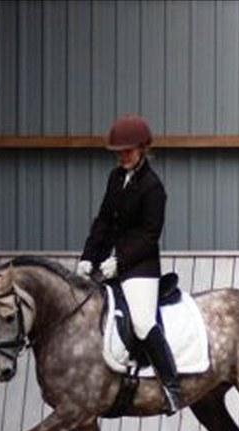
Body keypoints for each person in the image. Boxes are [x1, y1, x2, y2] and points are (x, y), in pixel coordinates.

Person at [76, 115, 181, 415]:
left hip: (140, 268)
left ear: (143, 149)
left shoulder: (153, 187)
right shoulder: (114, 178)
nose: (123, 156)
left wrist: (118, 263)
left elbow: (149, 237)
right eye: (119, 152)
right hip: (110, 262)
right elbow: (104, 222)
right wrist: (88, 258)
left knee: (142, 322)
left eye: (128, 151)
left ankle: (172, 386)